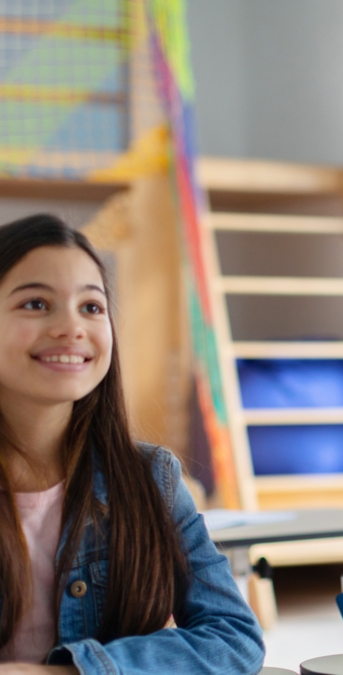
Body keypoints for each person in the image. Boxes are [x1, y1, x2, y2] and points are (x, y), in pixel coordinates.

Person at [0, 215, 264, 674]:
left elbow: (233, 637)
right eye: (37, 304)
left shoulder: (150, 477)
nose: (71, 327)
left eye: (92, 307)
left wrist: (69, 672)